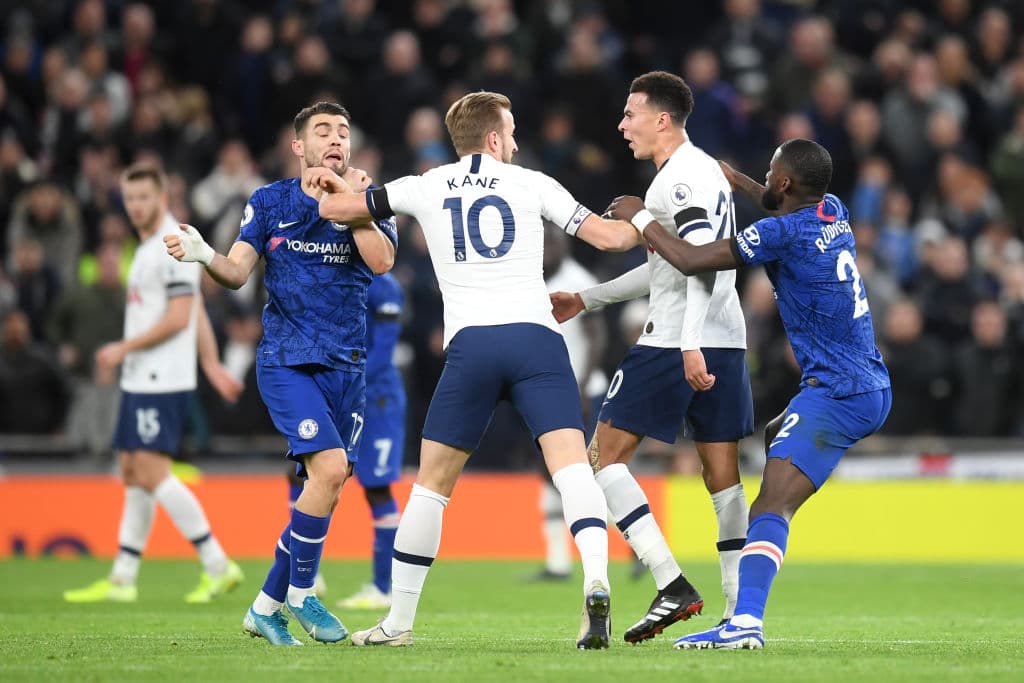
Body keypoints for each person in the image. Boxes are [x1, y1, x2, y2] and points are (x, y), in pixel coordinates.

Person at [313, 91, 643, 649]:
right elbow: (612, 239)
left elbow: (337, 212)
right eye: (510, 133)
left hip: (471, 347)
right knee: (571, 471)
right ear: (494, 138)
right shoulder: (533, 183)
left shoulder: (425, 184)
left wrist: (343, 186)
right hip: (538, 341)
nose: (514, 143)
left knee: (431, 487)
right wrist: (648, 222)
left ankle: (398, 622)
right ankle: (595, 582)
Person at [608, 138, 891, 649]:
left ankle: (745, 623)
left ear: (785, 184)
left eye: (771, 170)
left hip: (837, 392)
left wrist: (642, 220)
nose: (767, 175)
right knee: (775, 430)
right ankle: (742, 613)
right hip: (867, 381)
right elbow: (777, 197)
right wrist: (739, 181)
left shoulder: (782, 233)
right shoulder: (833, 210)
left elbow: (695, 261)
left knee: (770, 507)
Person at [165, 101, 397, 646]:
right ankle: (301, 593)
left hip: (349, 369)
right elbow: (237, 273)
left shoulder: (366, 197)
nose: (336, 138)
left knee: (327, 485)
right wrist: (204, 255)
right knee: (333, 468)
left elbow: (382, 262)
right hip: (287, 362)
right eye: (323, 131)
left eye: (344, 130)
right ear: (299, 146)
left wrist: (349, 201)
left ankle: (264, 607)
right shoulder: (270, 201)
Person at [550, 71, 753, 642]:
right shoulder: (698, 168)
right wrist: (589, 298)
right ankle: (739, 613)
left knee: (602, 459)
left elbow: (701, 264)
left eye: (630, 114)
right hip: (726, 337)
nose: (622, 125)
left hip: (673, 341)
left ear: (661, 119)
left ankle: (671, 583)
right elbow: (670, 267)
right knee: (723, 480)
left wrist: (688, 341)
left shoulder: (680, 180)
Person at [63, 164, 245, 605]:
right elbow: (196, 308)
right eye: (129, 198)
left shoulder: (171, 243)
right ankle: (123, 578)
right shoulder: (146, 247)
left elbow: (180, 316)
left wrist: (123, 349)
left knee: (150, 471)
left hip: (160, 378)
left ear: (162, 197)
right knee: (131, 470)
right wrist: (211, 362)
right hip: (145, 376)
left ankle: (219, 565)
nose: (135, 206)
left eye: (144, 197)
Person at [283, 271, 407, 610]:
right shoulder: (336, 274)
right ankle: (308, 575)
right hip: (338, 391)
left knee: (377, 487)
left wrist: (347, 380)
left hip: (376, 399)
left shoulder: (385, 286)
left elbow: (384, 347)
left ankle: (384, 587)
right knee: (302, 471)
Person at [532, 225, 608, 582]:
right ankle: (557, 563)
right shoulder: (531, 279)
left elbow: (597, 338)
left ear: (564, 245)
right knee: (549, 475)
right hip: (547, 392)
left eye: (553, 242)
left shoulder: (579, 280)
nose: (546, 250)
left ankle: (636, 540)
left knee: (582, 475)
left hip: (582, 391)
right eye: (542, 243)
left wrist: (579, 386)